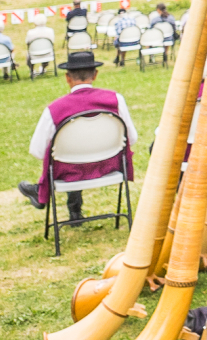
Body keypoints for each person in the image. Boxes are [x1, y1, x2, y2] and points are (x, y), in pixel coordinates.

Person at [18, 49, 137, 221]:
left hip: (69, 170)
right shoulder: (115, 100)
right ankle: (72, 207)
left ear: (67, 77)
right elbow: (131, 138)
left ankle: (43, 193)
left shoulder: (55, 109)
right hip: (109, 165)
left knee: (67, 156)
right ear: (95, 74)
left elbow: (37, 151)